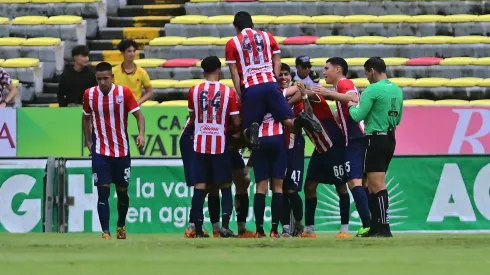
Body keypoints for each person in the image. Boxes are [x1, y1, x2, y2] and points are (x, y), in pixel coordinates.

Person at [225, 11, 321, 149]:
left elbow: (234, 72)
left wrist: (241, 95)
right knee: (290, 123)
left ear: (235, 27)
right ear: (253, 25)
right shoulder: (267, 36)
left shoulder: (231, 43)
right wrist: (273, 81)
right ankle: (302, 120)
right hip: (270, 84)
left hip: (251, 87)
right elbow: (277, 62)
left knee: (245, 129)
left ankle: (253, 130)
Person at [82, 62, 146, 240]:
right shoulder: (90, 94)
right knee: (103, 192)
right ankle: (105, 232)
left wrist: (141, 134)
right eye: (99, 79)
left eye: (105, 78)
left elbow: (139, 116)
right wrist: (88, 141)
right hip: (100, 151)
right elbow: (85, 118)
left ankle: (120, 226)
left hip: (121, 150)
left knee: (122, 192)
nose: (102, 82)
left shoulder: (123, 93)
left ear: (112, 77)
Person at [313, 57, 371, 237]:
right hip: (358, 137)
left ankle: (368, 225)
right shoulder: (343, 86)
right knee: (366, 183)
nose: (323, 72)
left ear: (337, 69)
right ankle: (375, 223)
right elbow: (346, 106)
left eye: (326, 68)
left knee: (355, 182)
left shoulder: (343, 83)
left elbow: (352, 98)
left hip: (356, 138)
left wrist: (326, 93)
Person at [347, 57, 403, 238]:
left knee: (377, 185)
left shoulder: (372, 90)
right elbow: (398, 117)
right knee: (371, 184)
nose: (367, 78)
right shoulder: (396, 90)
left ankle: (384, 228)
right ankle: (375, 227)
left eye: (366, 74)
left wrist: (351, 105)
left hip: (375, 139)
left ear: (372, 70)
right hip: (390, 138)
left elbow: (357, 116)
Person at [187, 56, 241, 238]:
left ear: (203, 71)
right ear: (219, 70)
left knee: (200, 186)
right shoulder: (228, 92)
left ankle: (197, 227)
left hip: (199, 143)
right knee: (225, 186)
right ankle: (224, 226)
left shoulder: (194, 91)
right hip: (219, 144)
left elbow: (193, 118)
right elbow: (236, 121)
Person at [299, 78, 351, 239]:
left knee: (341, 186)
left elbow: (307, 97)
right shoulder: (295, 106)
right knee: (309, 186)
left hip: (335, 145)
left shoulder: (315, 96)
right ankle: (309, 229)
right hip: (320, 148)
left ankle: (345, 228)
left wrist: (299, 92)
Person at [277, 63, 306, 237]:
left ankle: (299, 223)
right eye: (280, 75)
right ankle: (286, 228)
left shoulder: (298, 96)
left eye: (286, 74)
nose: (283, 77)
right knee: (279, 189)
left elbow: (303, 116)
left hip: (294, 146)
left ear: (291, 77)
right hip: (278, 145)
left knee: (292, 190)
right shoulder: (271, 95)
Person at [113, 39, 154, 105]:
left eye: (134, 51)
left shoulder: (142, 72)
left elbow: (150, 92)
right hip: (118, 106)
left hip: (135, 106)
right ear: (123, 53)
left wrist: (138, 102)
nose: (132, 54)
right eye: (129, 51)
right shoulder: (113, 71)